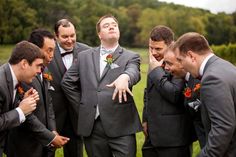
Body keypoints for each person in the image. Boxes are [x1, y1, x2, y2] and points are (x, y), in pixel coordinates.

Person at [61, 14, 142, 157]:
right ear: (99, 34)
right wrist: (83, 105)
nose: (111, 26)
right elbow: (67, 82)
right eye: (106, 25)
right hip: (93, 126)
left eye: (114, 25)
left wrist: (125, 76)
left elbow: (133, 72)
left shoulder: (131, 56)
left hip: (121, 124)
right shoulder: (84, 56)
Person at [7, 29, 69, 157]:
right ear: (34, 49)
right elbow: (26, 115)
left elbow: (49, 103)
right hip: (25, 145)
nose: (52, 55)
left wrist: (52, 130)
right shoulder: (23, 75)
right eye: (49, 50)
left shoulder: (45, 69)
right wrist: (50, 137)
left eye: (54, 50)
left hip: (44, 144)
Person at [173, 32, 236, 157]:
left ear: (191, 56)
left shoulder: (211, 79)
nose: (181, 66)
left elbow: (223, 126)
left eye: (180, 60)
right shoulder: (226, 66)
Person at [142, 26, 192, 157]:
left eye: (158, 48)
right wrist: (145, 119)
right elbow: (148, 92)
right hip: (152, 137)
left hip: (174, 139)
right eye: (151, 48)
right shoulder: (156, 62)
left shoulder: (180, 61)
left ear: (171, 45)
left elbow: (175, 94)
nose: (153, 52)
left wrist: (156, 71)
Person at [47, 19, 90, 157]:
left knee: (76, 152)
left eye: (73, 35)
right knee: (46, 151)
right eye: (65, 36)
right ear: (56, 36)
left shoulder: (87, 52)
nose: (70, 40)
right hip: (52, 116)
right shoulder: (46, 51)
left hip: (76, 114)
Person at [0, 41, 43, 157]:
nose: (40, 71)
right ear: (24, 63)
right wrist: (21, 111)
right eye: (38, 66)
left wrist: (22, 101)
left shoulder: (11, 77)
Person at [164, 44, 206, 149]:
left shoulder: (200, 81)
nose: (166, 68)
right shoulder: (185, 80)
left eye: (169, 63)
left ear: (181, 61)